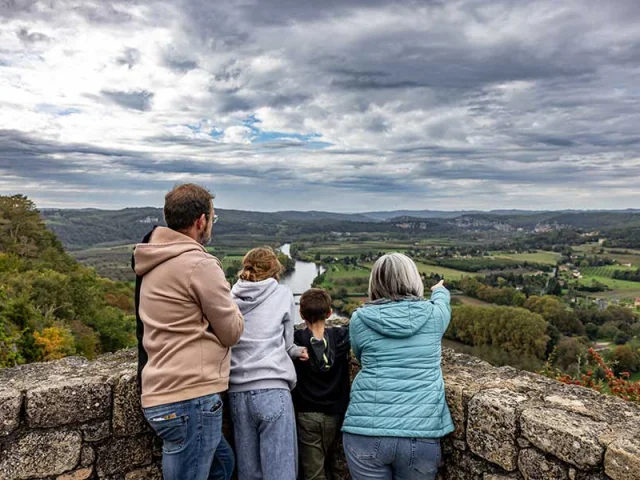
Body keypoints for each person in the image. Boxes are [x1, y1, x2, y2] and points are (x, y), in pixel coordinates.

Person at [132, 183, 244, 480]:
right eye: (212, 218)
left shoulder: (154, 259)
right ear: (201, 221)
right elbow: (232, 332)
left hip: (162, 390)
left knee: (222, 465)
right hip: (190, 396)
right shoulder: (199, 264)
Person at [342, 253, 454, 480]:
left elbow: (361, 356)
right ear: (414, 280)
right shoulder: (435, 315)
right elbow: (443, 301)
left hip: (365, 429)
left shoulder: (360, 319)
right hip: (421, 431)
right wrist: (439, 289)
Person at [228, 247, 307, 480]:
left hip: (237, 392)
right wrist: (297, 352)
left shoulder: (230, 296)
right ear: (275, 270)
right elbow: (286, 344)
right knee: (280, 473)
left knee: (249, 473)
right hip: (272, 388)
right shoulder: (282, 294)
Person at [293, 288, 351, 480]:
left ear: (301, 314)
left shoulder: (296, 341)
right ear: (329, 313)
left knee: (314, 473)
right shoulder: (341, 337)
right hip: (335, 414)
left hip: (307, 415)